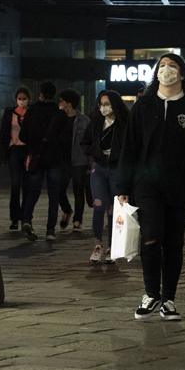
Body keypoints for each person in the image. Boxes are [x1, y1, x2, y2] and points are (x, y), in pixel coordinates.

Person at [117, 53, 185, 321]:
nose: (166, 70)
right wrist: (123, 184)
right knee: (151, 235)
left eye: (172, 66)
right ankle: (150, 294)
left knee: (174, 242)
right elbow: (130, 147)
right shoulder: (143, 106)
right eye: (162, 66)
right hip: (146, 184)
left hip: (180, 186)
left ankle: (168, 299)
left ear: (182, 73)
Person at [80, 90, 128, 264]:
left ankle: (112, 247)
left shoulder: (124, 124)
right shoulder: (95, 122)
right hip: (99, 168)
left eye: (107, 104)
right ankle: (98, 244)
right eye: (101, 104)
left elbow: (131, 147)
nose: (104, 107)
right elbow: (84, 143)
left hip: (116, 169)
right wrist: (95, 154)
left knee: (113, 210)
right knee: (99, 205)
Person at [19, 82, 68, 241]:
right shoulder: (59, 114)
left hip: (37, 156)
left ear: (40, 94)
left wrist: (34, 144)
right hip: (54, 158)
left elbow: (22, 136)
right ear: (54, 95)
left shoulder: (32, 111)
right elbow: (65, 139)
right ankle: (50, 230)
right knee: (54, 195)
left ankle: (26, 220)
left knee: (33, 191)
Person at [58, 89, 91, 232]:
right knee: (59, 189)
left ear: (69, 103)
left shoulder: (84, 120)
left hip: (79, 160)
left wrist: (90, 162)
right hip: (62, 160)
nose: (60, 104)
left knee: (79, 190)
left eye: (62, 101)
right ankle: (67, 209)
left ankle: (78, 220)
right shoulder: (58, 118)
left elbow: (89, 142)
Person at [0, 87, 31, 231]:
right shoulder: (9, 113)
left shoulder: (32, 113)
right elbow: (3, 132)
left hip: (28, 151)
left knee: (27, 185)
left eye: (24, 98)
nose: (22, 101)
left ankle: (25, 217)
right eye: (20, 98)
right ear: (16, 99)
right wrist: (2, 151)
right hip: (13, 150)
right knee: (15, 184)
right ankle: (14, 218)